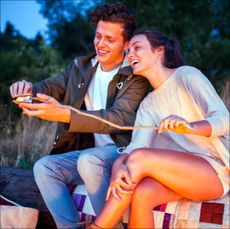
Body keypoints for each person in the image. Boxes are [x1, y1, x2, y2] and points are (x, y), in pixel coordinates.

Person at [9, 3, 150, 228]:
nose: (101, 44)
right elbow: (49, 87)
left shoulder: (136, 75)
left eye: (110, 40)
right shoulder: (80, 67)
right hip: (89, 153)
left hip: (125, 151)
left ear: (126, 44)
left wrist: (67, 115)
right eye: (98, 36)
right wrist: (26, 89)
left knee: (89, 159)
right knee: (44, 167)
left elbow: (120, 118)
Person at [90, 28, 230, 228]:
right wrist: (117, 166)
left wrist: (190, 127)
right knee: (143, 193)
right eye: (128, 51)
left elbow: (223, 119)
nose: (130, 55)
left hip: (216, 170)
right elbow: (136, 147)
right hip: (182, 175)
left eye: (137, 48)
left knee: (140, 158)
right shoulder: (148, 103)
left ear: (159, 50)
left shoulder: (186, 75)